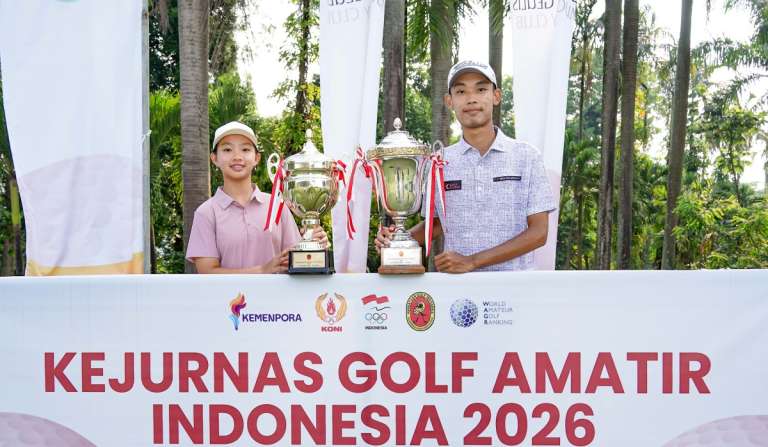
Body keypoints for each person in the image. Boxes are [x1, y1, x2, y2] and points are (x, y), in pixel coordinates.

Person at [376, 60, 556, 273]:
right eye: (461, 91)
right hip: (458, 292)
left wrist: (473, 261)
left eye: (481, 89)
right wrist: (398, 240)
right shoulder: (438, 162)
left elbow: (539, 233)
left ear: (496, 96)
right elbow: (438, 223)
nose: (471, 99)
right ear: (449, 101)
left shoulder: (526, 156)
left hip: (516, 288)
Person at [186, 121, 327, 273]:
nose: (237, 156)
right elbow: (207, 272)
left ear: (256, 158)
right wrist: (261, 270)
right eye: (227, 149)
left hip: (277, 297)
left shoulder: (277, 206)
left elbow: (295, 261)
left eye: (245, 149)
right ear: (214, 158)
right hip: (229, 298)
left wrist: (312, 241)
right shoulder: (206, 213)